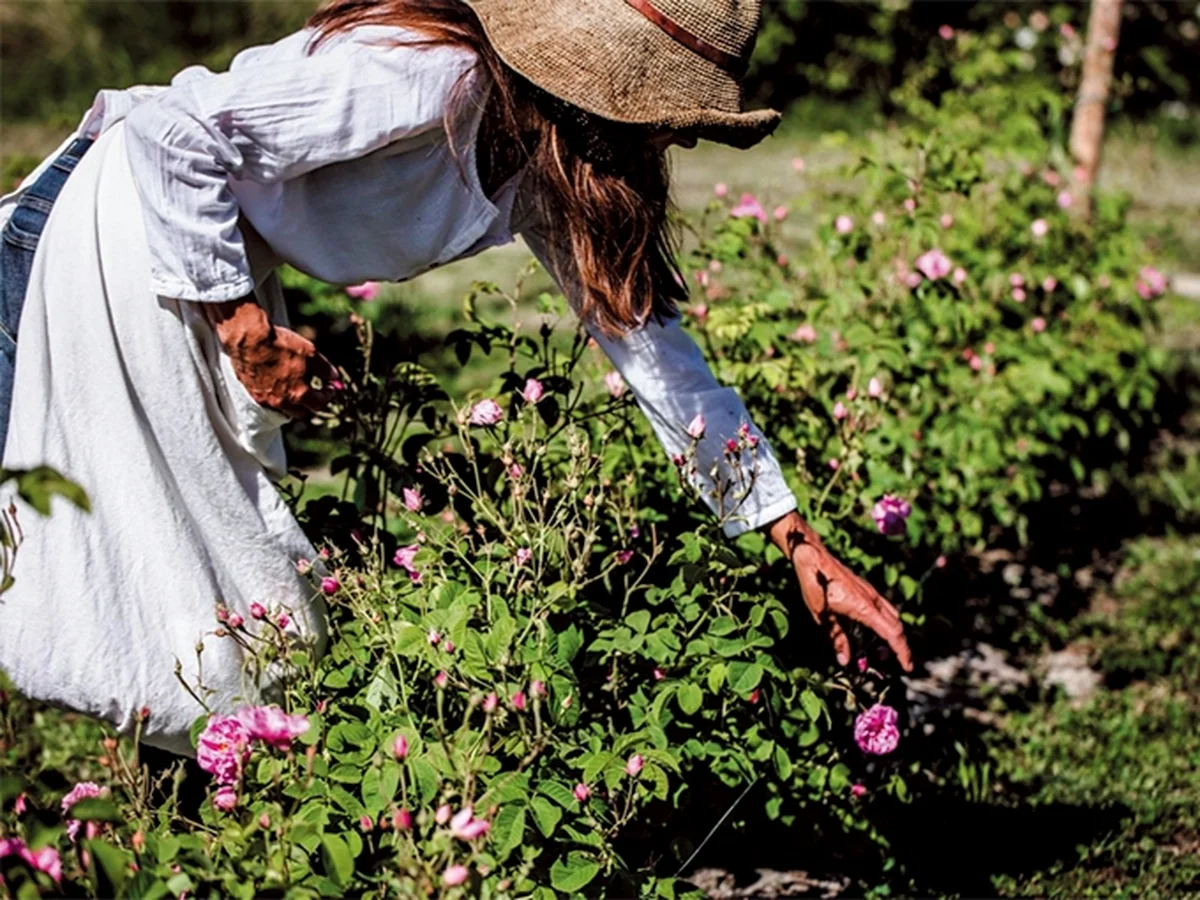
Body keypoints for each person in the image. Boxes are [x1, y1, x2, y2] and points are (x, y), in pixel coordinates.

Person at [0, 0, 912, 755]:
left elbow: (660, 358)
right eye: (660, 111)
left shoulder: (554, 160)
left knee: (213, 600)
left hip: (192, 261)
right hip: (125, 232)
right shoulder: (432, 76)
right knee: (186, 580)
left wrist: (792, 536)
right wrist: (242, 328)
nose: (665, 138)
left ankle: (206, 822)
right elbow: (170, 130)